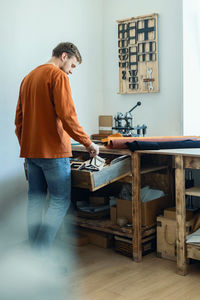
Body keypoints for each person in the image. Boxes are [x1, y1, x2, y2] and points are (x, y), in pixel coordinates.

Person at [15, 42, 99, 254]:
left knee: (35, 201)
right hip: (53, 153)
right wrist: (88, 143)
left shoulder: (28, 78)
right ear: (64, 56)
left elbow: (19, 121)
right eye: (72, 65)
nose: (71, 71)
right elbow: (67, 116)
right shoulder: (57, 76)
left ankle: (32, 256)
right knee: (60, 201)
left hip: (31, 153)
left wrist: (27, 145)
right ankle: (41, 255)